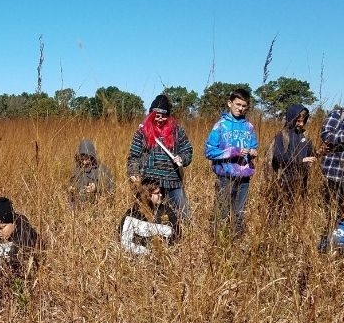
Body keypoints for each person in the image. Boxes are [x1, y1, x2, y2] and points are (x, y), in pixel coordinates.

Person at [127, 94, 193, 219]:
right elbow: (134, 155)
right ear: (151, 114)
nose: (160, 119)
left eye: (164, 116)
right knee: (146, 215)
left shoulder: (177, 131)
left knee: (184, 215)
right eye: (157, 116)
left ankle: (179, 235)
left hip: (173, 182)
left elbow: (187, 150)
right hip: (149, 182)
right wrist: (133, 172)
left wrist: (182, 158)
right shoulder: (142, 131)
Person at [204, 88, 259, 237]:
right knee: (222, 212)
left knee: (239, 213)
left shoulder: (249, 127)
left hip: (244, 177)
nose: (240, 109)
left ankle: (236, 243)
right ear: (230, 103)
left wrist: (253, 152)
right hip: (226, 177)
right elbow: (209, 151)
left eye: (244, 106)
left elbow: (254, 147)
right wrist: (232, 151)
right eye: (238, 104)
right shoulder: (220, 126)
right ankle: (217, 242)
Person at [266, 104, 317, 215]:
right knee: (281, 211)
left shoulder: (305, 136)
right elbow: (278, 156)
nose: (301, 124)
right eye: (298, 121)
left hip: (302, 179)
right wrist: (301, 160)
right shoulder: (282, 135)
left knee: (297, 210)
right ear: (291, 118)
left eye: (304, 121)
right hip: (284, 179)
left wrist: (319, 153)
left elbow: (311, 153)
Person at [119, 181, 180, 255]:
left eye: (160, 192)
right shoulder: (132, 214)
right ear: (147, 195)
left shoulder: (166, 210)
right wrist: (148, 252)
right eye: (157, 193)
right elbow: (124, 242)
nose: (160, 195)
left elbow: (177, 233)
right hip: (139, 258)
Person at [69, 139, 115, 207]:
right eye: (82, 159)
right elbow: (71, 183)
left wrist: (96, 188)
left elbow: (111, 188)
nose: (84, 162)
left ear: (92, 157)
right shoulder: (77, 170)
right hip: (77, 207)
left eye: (87, 159)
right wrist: (71, 189)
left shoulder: (103, 170)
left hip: (96, 206)